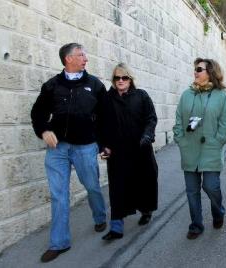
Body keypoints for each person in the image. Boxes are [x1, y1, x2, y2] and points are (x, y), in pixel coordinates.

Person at [30, 43, 107, 262]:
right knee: (59, 194)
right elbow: (37, 113)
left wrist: (103, 145)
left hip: (85, 146)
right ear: (68, 59)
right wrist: (44, 130)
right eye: (81, 55)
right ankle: (59, 242)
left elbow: (105, 117)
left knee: (92, 186)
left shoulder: (95, 85)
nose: (86, 58)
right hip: (58, 149)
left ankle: (100, 215)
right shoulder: (52, 86)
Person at [173, 58, 226, 240]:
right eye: (195, 69)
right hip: (189, 150)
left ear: (210, 72)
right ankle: (196, 225)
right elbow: (178, 121)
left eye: (199, 69)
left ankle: (218, 212)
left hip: (211, 150)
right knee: (192, 191)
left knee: (211, 186)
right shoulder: (186, 95)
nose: (195, 72)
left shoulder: (222, 95)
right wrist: (181, 140)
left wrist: (217, 142)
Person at [99, 63, 158, 241]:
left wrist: (147, 135)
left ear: (130, 79)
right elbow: (100, 126)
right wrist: (104, 145)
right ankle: (116, 227)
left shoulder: (141, 96)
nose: (121, 81)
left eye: (124, 77)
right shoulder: (107, 100)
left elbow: (151, 118)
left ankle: (146, 210)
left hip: (140, 149)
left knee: (144, 183)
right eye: (117, 78)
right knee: (117, 188)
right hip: (118, 152)